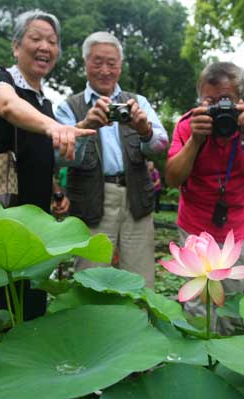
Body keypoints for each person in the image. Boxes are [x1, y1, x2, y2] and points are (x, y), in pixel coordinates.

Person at [0, 10, 94, 320]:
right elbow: (8, 105)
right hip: (1, 214)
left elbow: (39, 157)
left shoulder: (44, 101)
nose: (45, 46)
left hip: (37, 217)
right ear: (16, 46)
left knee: (32, 303)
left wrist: (57, 192)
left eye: (52, 41)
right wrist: (53, 127)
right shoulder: (1, 78)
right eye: (36, 38)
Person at [55, 31, 168, 287]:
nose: (105, 70)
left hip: (136, 198)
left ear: (120, 66)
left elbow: (162, 143)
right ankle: (94, 326)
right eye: (97, 62)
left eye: (112, 63)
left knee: (140, 280)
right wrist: (84, 126)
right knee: (91, 278)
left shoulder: (138, 102)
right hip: (91, 199)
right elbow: (60, 158)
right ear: (85, 64)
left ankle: (137, 325)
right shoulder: (68, 107)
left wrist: (145, 130)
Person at [166, 61, 244, 300]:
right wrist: (195, 141)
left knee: (230, 306)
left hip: (236, 231)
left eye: (225, 100)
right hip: (194, 228)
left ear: (243, 99)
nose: (219, 109)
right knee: (198, 307)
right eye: (209, 102)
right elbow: (171, 179)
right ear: (200, 98)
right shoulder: (189, 124)